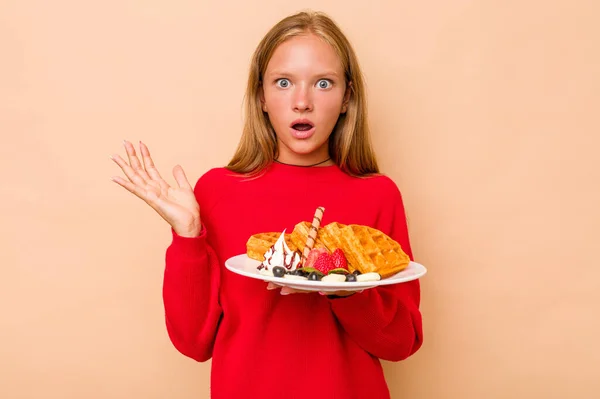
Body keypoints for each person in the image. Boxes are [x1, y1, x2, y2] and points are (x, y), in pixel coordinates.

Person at [110, 10, 423, 399]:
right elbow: (194, 343)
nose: (302, 101)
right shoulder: (217, 191)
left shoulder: (377, 194)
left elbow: (402, 343)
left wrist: (348, 293)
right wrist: (187, 235)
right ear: (261, 96)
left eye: (323, 83)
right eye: (284, 82)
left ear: (347, 98)